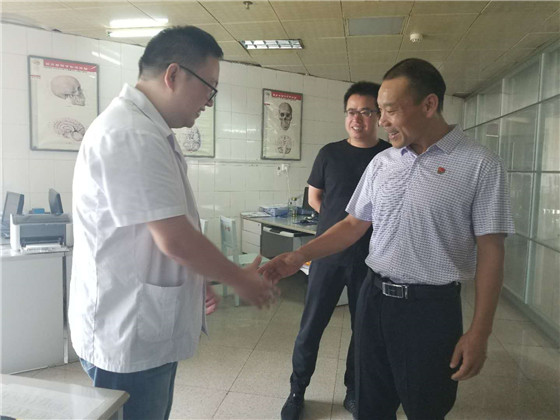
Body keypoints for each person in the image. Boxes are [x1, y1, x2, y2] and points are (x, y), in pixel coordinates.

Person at [260, 58, 515, 420]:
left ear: (429, 104)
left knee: (425, 407)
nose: (381, 121)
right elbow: (353, 225)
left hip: (430, 309)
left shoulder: (479, 164)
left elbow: (492, 251)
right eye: (378, 111)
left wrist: (480, 331)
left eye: (390, 110)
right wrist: (299, 255)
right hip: (374, 298)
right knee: (370, 404)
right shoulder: (383, 162)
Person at [69, 26, 276, 420]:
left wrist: (196, 281)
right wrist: (239, 279)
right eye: (209, 88)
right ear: (174, 74)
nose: (210, 102)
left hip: (139, 322)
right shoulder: (131, 133)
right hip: (129, 330)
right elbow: (174, 239)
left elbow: (152, 233)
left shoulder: (144, 128)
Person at [280, 82, 390, 420]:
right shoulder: (329, 153)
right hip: (328, 256)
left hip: (370, 259)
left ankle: (353, 391)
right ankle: (297, 390)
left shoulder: (389, 156)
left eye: (366, 112)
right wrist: (335, 222)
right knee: (311, 326)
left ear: (379, 115)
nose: (357, 119)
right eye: (351, 112)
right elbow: (314, 196)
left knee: (364, 331)